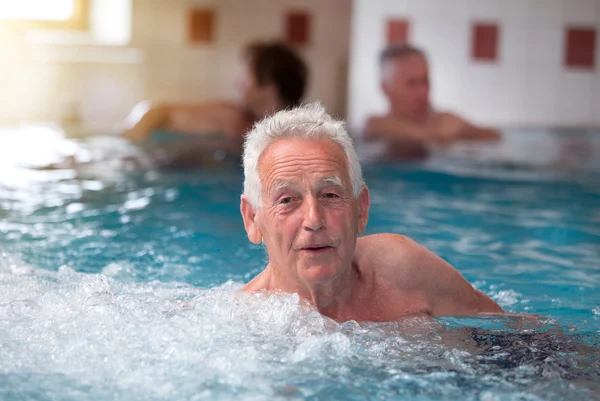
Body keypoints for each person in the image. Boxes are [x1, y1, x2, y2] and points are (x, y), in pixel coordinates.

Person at [240, 103, 504, 322]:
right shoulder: (240, 328)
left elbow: (518, 338)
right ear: (253, 219)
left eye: (330, 195)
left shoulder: (403, 272)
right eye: (287, 200)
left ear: (361, 209)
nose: (314, 220)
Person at [123, 41, 308, 156]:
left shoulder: (301, 137)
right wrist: (131, 139)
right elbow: (156, 111)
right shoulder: (234, 120)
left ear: (269, 86)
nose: (238, 82)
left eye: (246, 75)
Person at [363, 44, 500, 159]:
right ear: (386, 88)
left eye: (425, 81)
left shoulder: (445, 121)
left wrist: (468, 132)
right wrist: (438, 134)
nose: (422, 92)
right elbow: (373, 128)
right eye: (412, 83)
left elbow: (494, 136)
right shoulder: (377, 126)